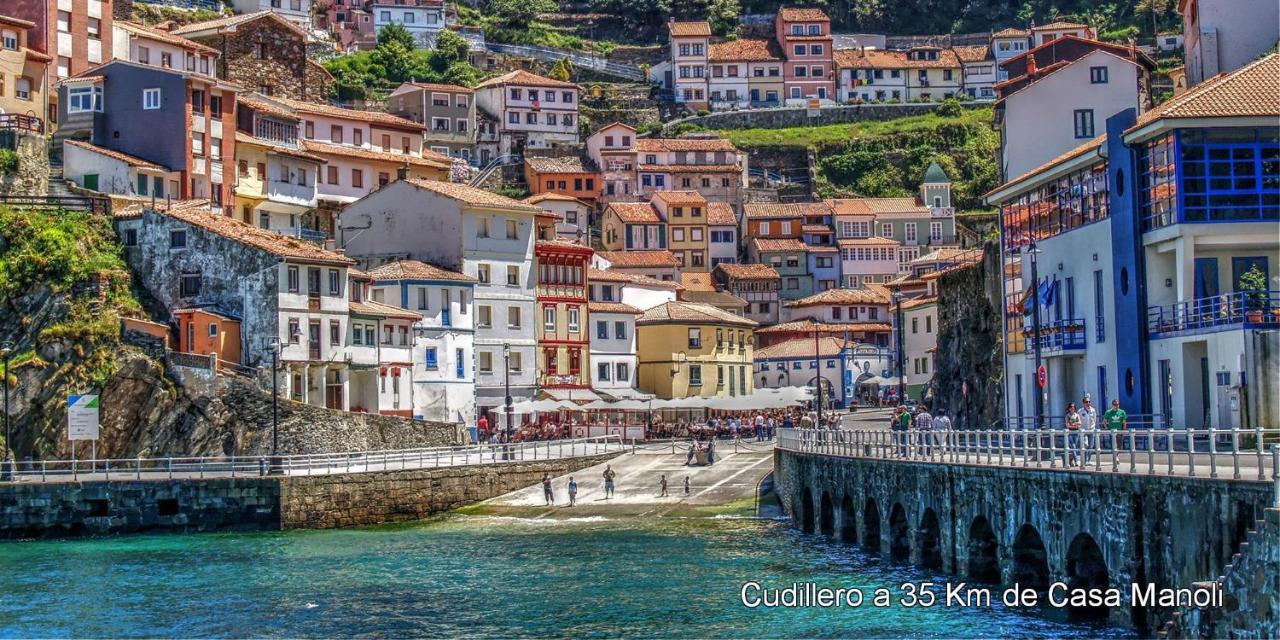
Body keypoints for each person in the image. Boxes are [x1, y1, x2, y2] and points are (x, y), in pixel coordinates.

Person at [1080, 394, 1098, 464]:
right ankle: (1084, 460)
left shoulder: (1093, 410)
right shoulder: (1080, 411)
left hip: (1091, 429)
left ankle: (1088, 460)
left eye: (1089, 402)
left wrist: (1093, 427)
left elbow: (1094, 419)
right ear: (1083, 403)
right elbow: (1079, 420)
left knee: (1091, 445)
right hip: (1083, 430)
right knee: (1085, 445)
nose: (1088, 403)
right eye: (1086, 402)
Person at [1064, 402, 1082, 467]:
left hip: (1076, 432)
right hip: (1070, 433)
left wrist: (1074, 424)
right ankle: (1077, 461)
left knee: (1073, 447)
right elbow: (1067, 425)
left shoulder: (1077, 415)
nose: (1072, 408)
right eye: (1071, 407)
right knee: (1073, 446)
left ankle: (1071, 461)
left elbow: (1080, 423)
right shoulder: (1067, 416)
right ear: (1069, 408)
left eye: (1073, 407)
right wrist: (1075, 425)